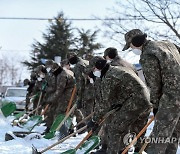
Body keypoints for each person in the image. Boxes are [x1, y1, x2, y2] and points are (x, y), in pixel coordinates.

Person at [122, 29, 180, 154]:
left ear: (136, 42)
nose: (131, 48)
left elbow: (154, 84)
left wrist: (156, 105)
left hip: (171, 97)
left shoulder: (147, 55)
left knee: (160, 135)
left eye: (130, 45)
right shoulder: (167, 44)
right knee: (174, 132)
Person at [87, 57, 152, 153]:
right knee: (124, 125)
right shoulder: (113, 71)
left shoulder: (109, 76)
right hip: (142, 99)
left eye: (93, 69)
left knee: (115, 127)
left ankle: (113, 152)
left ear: (99, 66)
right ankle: (123, 151)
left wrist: (94, 120)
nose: (93, 71)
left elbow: (105, 103)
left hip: (137, 100)